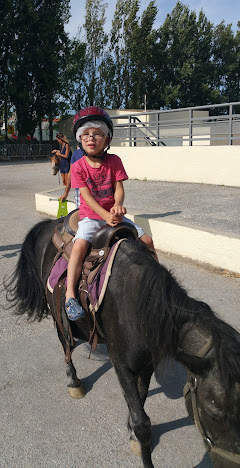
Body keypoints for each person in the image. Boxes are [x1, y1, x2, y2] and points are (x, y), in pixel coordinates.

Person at [64, 106, 157, 321]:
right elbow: (86, 197)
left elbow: (118, 188)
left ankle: (156, 283)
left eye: (97, 133)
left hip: (114, 215)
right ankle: (70, 295)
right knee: (79, 247)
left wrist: (118, 206)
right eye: (86, 134)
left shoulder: (114, 161)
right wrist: (105, 216)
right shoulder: (78, 166)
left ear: (107, 139)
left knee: (147, 240)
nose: (91, 138)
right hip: (91, 217)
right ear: (80, 140)